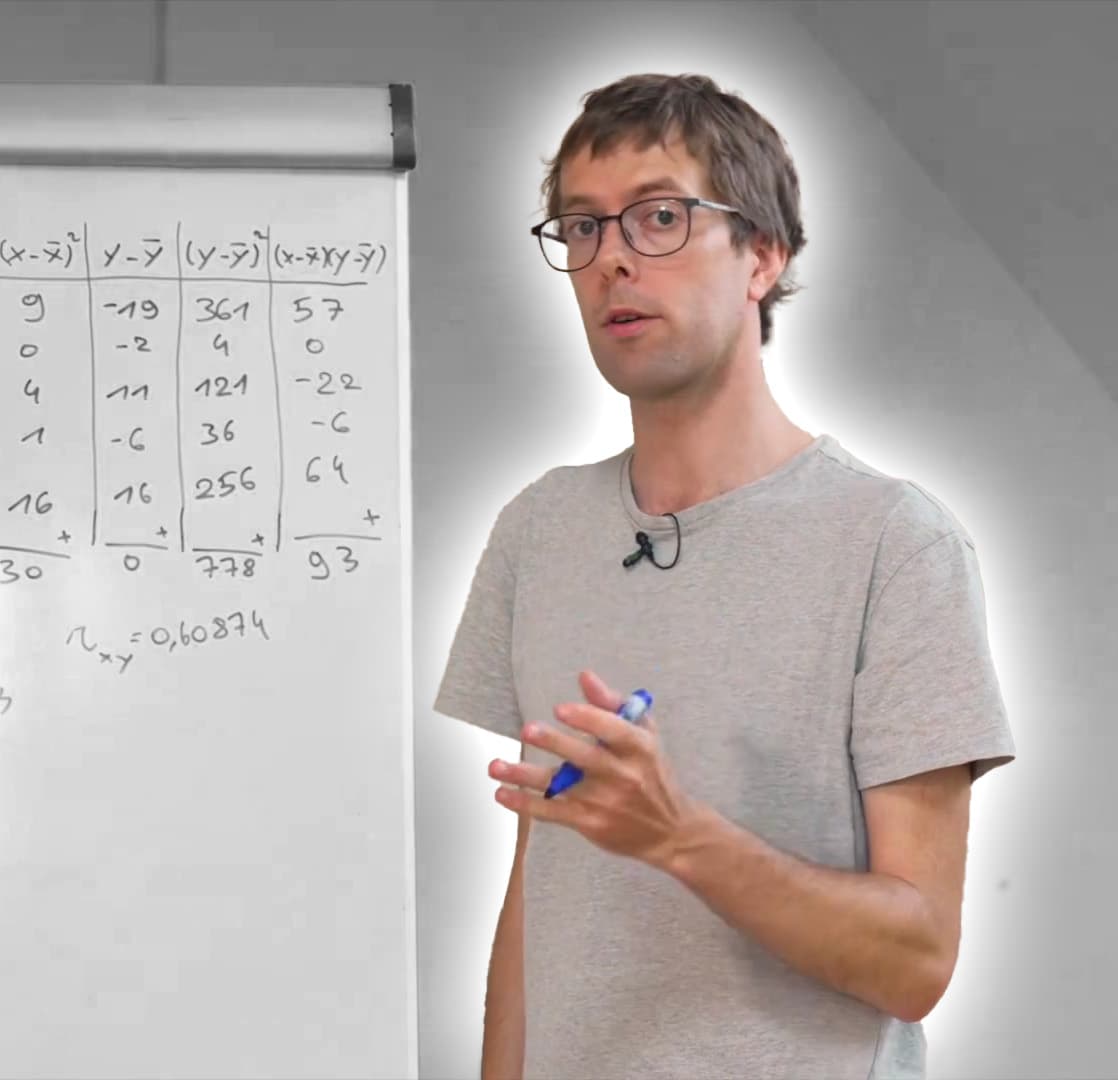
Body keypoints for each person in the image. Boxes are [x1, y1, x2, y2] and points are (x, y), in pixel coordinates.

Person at [432, 72, 1017, 1080]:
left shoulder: (895, 544)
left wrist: (679, 838)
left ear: (763, 255)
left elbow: (917, 960)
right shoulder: (539, 531)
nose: (612, 257)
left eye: (660, 216)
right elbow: (538, 894)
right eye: (582, 226)